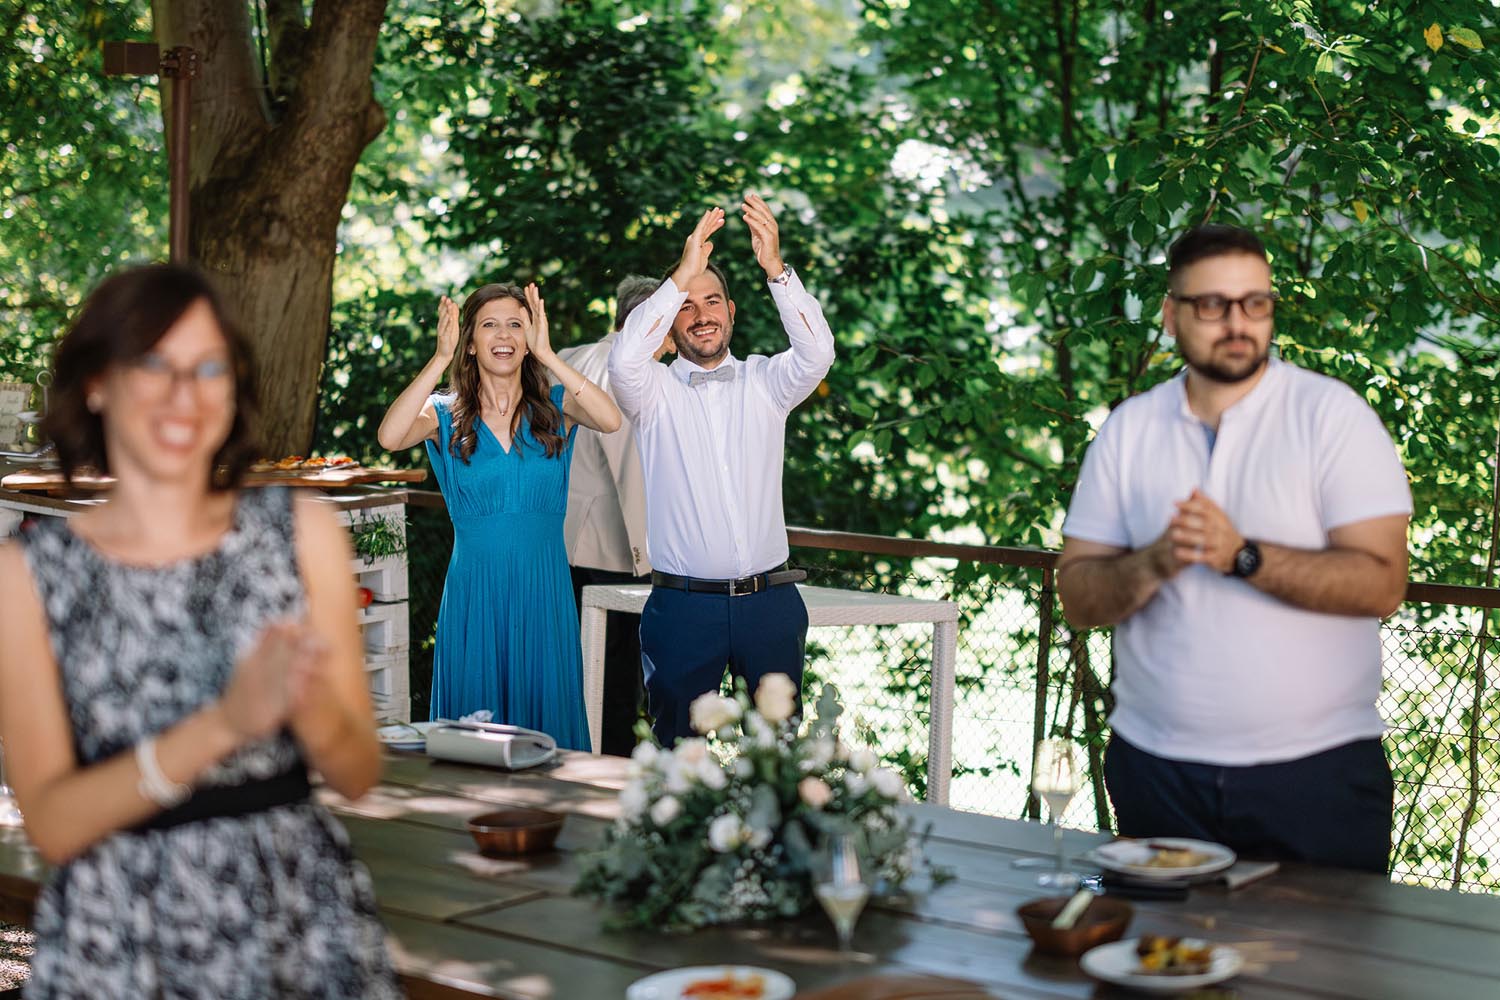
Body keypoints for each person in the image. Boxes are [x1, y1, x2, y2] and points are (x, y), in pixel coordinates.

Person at [0, 264, 399, 996]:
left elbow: (358, 774)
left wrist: (305, 703)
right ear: (96, 383)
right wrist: (226, 723)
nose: (184, 395)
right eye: (154, 364)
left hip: (293, 919)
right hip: (117, 935)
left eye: (208, 367)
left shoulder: (299, 530)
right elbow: (53, 826)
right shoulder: (26, 576)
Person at [1056, 224, 1411, 873]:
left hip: (1316, 777)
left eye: (1256, 303)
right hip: (1157, 772)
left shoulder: (1331, 415)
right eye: (1213, 305)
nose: (1238, 323)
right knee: (1163, 967)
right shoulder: (1129, 428)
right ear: (1171, 315)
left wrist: (1243, 556)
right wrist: (1156, 561)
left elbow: (1382, 584)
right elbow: (1078, 596)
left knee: (1321, 976)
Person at [608, 195, 835, 746]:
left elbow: (818, 354)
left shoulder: (767, 382)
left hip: (771, 605)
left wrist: (777, 271)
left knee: (778, 755)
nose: (703, 314)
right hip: (683, 609)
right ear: (669, 320)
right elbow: (623, 359)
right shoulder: (651, 393)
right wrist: (680, 275)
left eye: (713, 301)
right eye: (688, 304)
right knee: (676, 759)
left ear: (732, 312)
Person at [377, 282, 620, 751]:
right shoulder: (445, 413)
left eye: (516, 324)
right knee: (474, 738)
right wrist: (437, 360)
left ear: (528, 337)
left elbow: (610, 420)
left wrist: (548, 355)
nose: (503, 334)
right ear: (470, 342)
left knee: (549, 732)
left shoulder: (554, 406)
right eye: (489, 325)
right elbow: (390, 437)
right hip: (475, 596)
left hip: (544, 592)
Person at [557, 275, 673, 756]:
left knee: (583, 671)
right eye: (667, 325)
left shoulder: (569, 357)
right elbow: (632, 471)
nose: (673, 342)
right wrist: (652, 561)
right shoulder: (622, 371)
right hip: (613, 550)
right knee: (617, 682)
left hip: (562, 540)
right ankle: (612, 782)